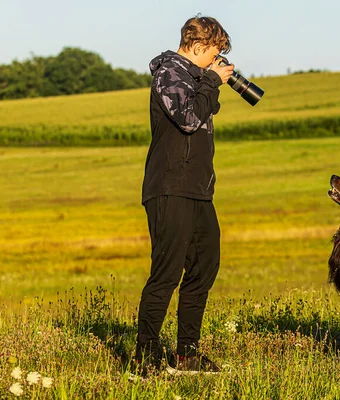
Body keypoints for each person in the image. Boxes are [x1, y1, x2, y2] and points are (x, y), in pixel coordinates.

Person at [134, 15, 235, 375]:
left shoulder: (195, 79)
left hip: (197, 190)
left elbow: (202, 109)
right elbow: (189, 118)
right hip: (169, 186)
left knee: (205, 265)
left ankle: (186, 355)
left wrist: (209, 83)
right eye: (214, 53)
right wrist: (210, 81)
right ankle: (144, 359)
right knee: (166, 273)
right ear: (197, 46)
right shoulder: (168, 73)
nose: (216, 61)